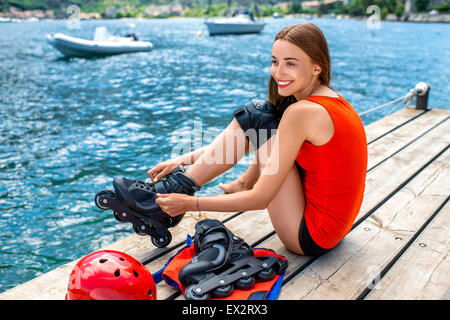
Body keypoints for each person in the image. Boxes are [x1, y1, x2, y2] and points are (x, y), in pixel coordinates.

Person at [148, 23, 368, 256]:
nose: (278, 72)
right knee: (263, 122)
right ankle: (196, 181)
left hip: (308, 237)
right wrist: (182, 160)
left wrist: (189, 204)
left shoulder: (302, 112)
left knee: (259, 119)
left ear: (317, 67)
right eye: (275, 61)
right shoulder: (333, 101)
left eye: (291, 63)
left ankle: (175, 193)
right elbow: (246, 139)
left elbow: (260, 199)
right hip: (336, 229)